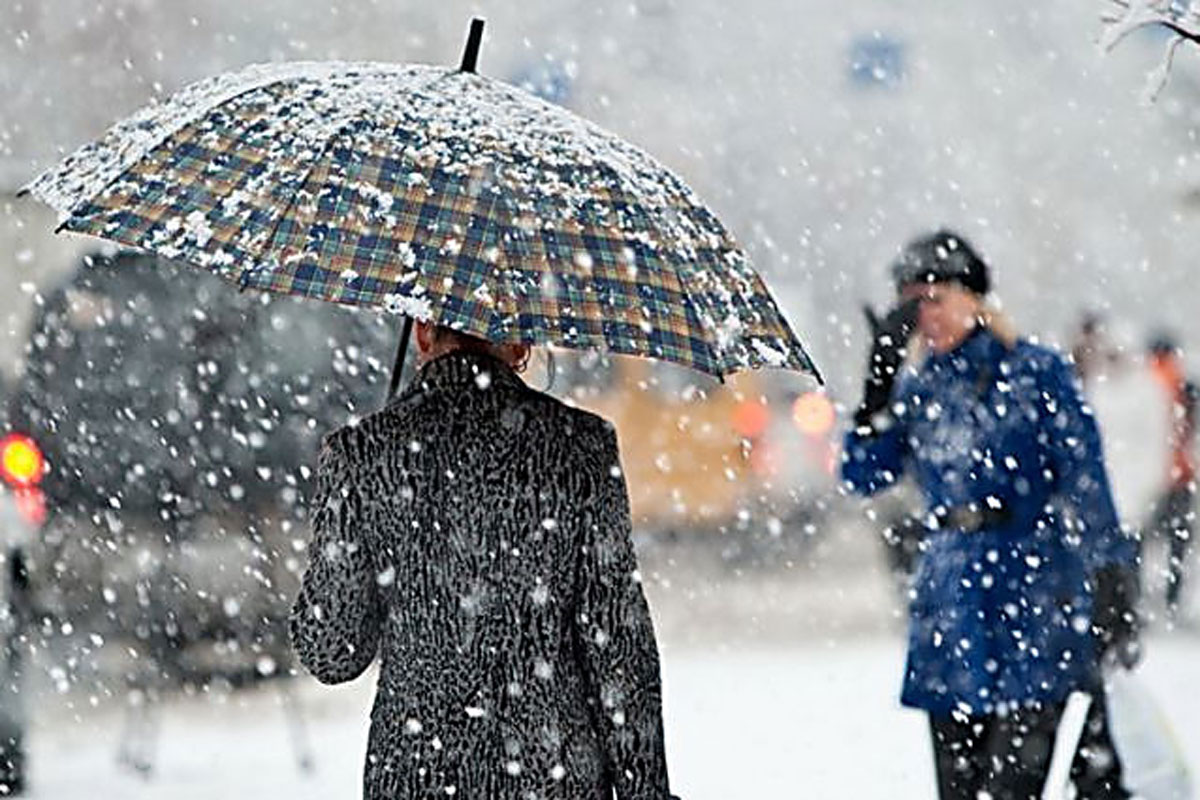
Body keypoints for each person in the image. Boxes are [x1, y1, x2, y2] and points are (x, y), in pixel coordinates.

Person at [290, 321, 677, 800]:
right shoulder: (582, 448)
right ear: (520, 345)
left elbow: (332, 653)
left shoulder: (360, 454)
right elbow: (617, 644)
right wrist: (647, 793)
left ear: (423, 334)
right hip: (554, 776)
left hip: (417, 779)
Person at [841, 230, 1139, 800]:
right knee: (958, 788)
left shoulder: (1035, 371)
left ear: (974, 297)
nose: (922, 314)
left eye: (934, 296)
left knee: (1014, 784)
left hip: (1033, 593)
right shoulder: (917, 386)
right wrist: (875, 391)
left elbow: (1085, 479)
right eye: (910, 302)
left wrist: (1110, 572)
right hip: (950, 601)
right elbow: (862, 476)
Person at [1146, 334, 1198, 617]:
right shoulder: (1182, 383)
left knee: (1140, 541)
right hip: (1181, 475)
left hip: (1149, 479)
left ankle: (1136, 599)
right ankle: (1172, 600)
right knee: (1177, 545)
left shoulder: (1147, 382)